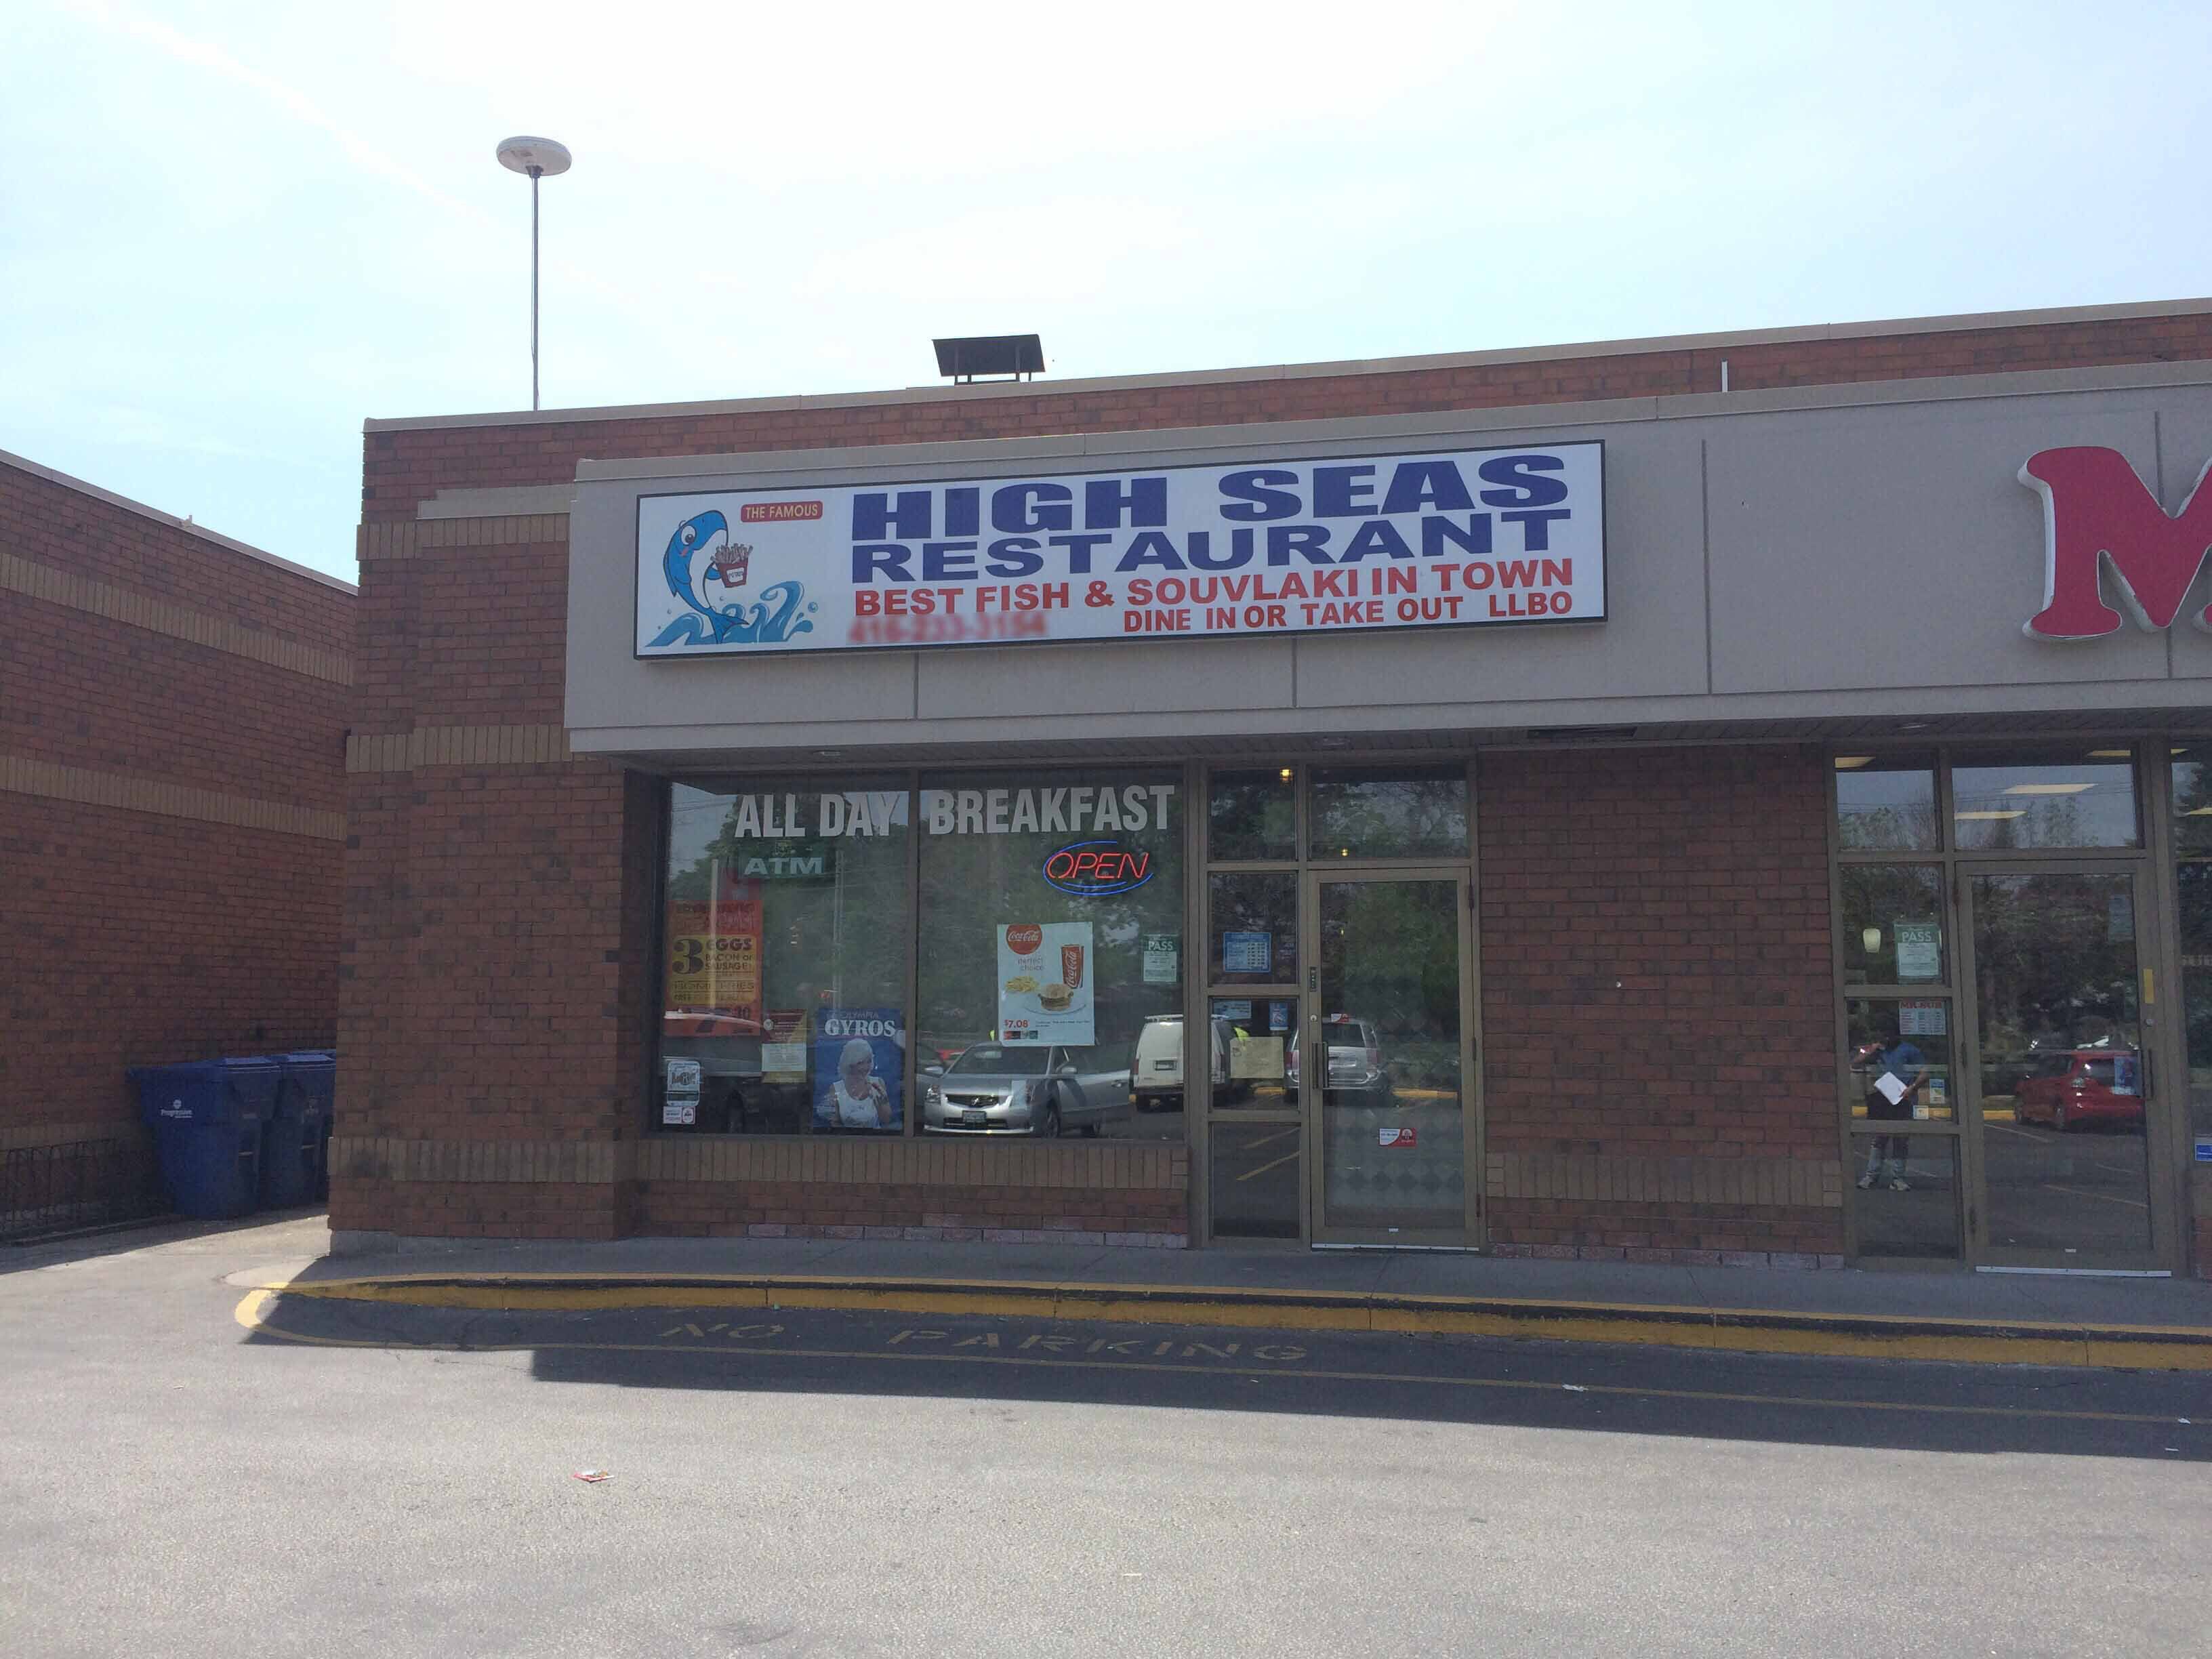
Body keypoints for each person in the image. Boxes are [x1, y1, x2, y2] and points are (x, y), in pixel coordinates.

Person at [1858, 1028, 1928, 1191]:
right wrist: (1872, 1049)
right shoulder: (1877, 1050)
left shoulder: (1910, 1050)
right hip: (1883, 1098)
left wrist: (1913, 1088)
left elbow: (1924, 1072)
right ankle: (1871, 1176)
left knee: (1901, 1138)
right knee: (1879, 1138)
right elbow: (1856, 1061)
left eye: (1889, 1036)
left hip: (1903, 1098)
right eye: (1884, 1036)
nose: (1886, 1039)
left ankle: (1898, 1178)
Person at [819, 1038, 892, 1130]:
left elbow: (886, 1120)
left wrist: (883, 1102)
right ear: (850, 1064)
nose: (866, 1068)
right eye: (860, 1063)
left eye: (869, 1061)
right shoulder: (836, 1088)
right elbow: (835, 1124)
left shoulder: (878, 1083)